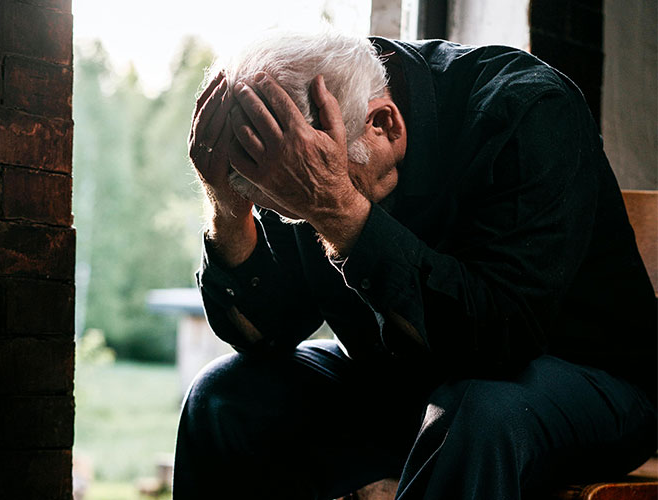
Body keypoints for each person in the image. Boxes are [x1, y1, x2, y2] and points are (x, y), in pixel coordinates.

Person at [173, 30, 657, 499]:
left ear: (384, 124)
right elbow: (268, 335)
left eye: (303, 201)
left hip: (580, 384)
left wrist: (336, 208)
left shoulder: (527, 110)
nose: (296, 215)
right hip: (401, 384)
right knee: (224, 397)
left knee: (478, 410)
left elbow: (501, 341)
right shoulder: (293, 145)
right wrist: (226, 209)